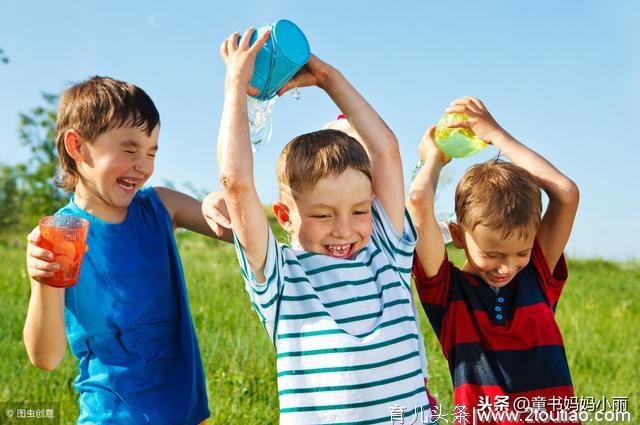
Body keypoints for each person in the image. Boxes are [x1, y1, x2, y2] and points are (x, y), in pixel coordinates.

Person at [209, 28, 435, 424]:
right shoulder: (280, 278)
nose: (345, 230)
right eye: (323, 215)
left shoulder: (387, 251)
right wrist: (235, 85)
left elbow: (386, 149)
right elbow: (236, 184)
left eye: (360, 211)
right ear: (285, 217)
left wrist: (327, 77)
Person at [24, 76, 231, 424]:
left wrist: (217, 198)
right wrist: (42, 280)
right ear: (77, 146)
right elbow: (45, 358)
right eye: (129, 149)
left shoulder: (162, 207)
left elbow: (242, 233)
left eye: (151, 152)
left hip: (189, 414)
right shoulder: (59, 238)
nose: (144, 165)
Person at [408, 97, 580, 423]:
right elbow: (417, 202)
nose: (507, 267)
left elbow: (566, 193)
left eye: (521, 253)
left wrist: (496, 135)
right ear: (457, 235)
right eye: (492, 254)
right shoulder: (448, 293)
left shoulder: (537, 277)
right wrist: (433, 159)